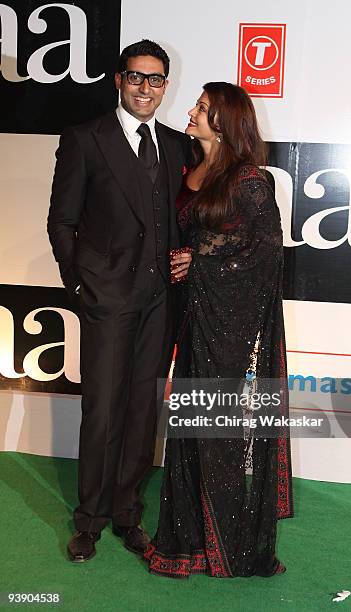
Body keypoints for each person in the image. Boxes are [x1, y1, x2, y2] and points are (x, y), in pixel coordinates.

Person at [47, 40, 192, 562]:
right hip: (107, 298)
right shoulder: (86, 139)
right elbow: (61, 221)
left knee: (140, 410)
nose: (145, 88)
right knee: (102, 411)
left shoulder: (178, 146)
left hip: (160, 302)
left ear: (165, 86)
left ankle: (128, 513)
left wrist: (190, 254)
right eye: (136, 77)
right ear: (117, 79)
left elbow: (186, 217)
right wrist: (80, 285)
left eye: (155, 79)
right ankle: (89, 519)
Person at [145, 82, 293, 578]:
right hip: (191, 316)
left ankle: (231, 549)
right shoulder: (193, 165)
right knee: (187, 431)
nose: (191, 111)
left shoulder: (248, 180)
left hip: (226, 323)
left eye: (203, 108)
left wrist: (201, 263)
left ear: (225, 122)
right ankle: (187, 543)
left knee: (215, 431)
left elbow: (267, 249)